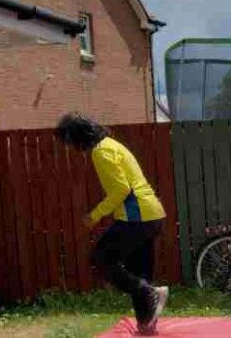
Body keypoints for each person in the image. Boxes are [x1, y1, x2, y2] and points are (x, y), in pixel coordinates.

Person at [55, 113, 169, 335]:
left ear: (77, 137)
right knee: (139, 271)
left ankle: (151, 294)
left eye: (68, 142)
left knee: (102, 259)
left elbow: (121, 190)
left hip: (139, 217)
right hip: (152, 215)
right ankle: (146, 325)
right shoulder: (111, 145)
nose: (69, 147)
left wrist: (94, 215)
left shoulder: (101, 152)